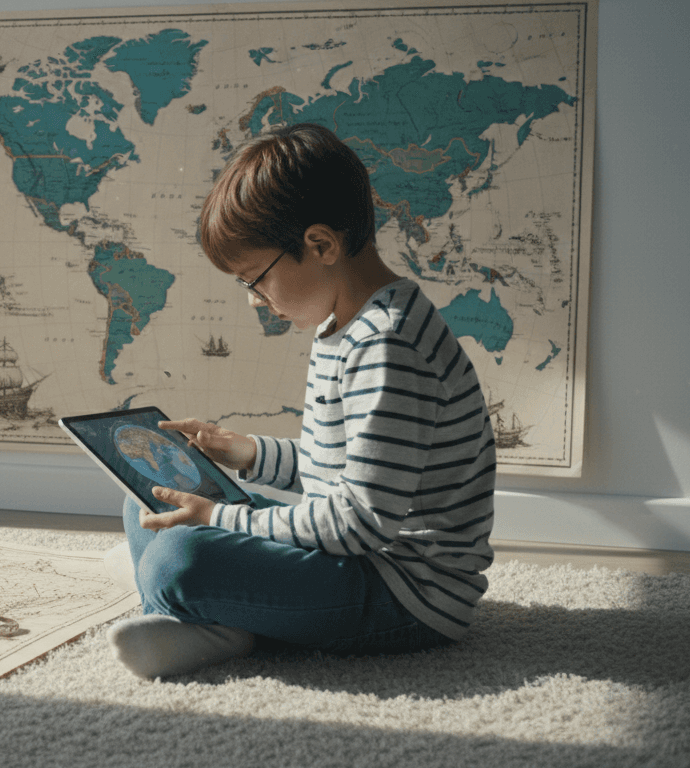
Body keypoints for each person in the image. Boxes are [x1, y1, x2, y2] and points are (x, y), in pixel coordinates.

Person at [105, 123, 497, 679]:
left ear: (320, 245)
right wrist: (242, 452)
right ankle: (204, 610)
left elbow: (358, 524)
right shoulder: (346, 324)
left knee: (175, 556)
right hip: (353, 557)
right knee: (146, 495)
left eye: (254, 280)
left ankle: (209, 619)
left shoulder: (388, 345)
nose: (255, 301)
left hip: (403, 594)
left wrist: (221, 517)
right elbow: (336, 470)